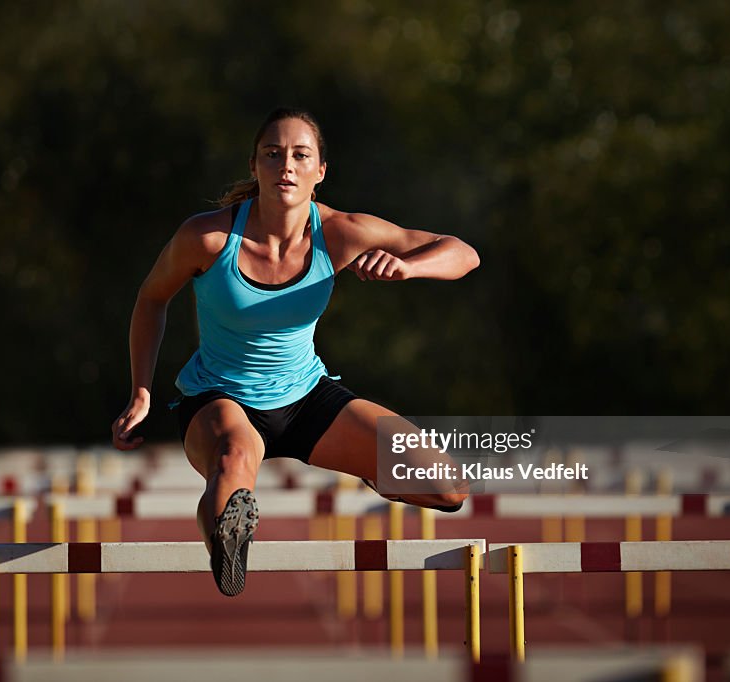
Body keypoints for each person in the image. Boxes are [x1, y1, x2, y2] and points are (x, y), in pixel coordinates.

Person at [112, 107, 479, 596]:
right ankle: (227, 542)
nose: (286, 165)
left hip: (306, 397)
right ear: (254, 166)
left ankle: (372, 470)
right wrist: (141, 391)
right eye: (273, 154)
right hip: (220, 398)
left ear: (319, 172)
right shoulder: (207, 236)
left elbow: (462, 252)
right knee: (234, 458)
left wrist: (410, 268)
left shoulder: (343, 231)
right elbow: (152, 298)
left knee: (448, 487)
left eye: (300, 155)